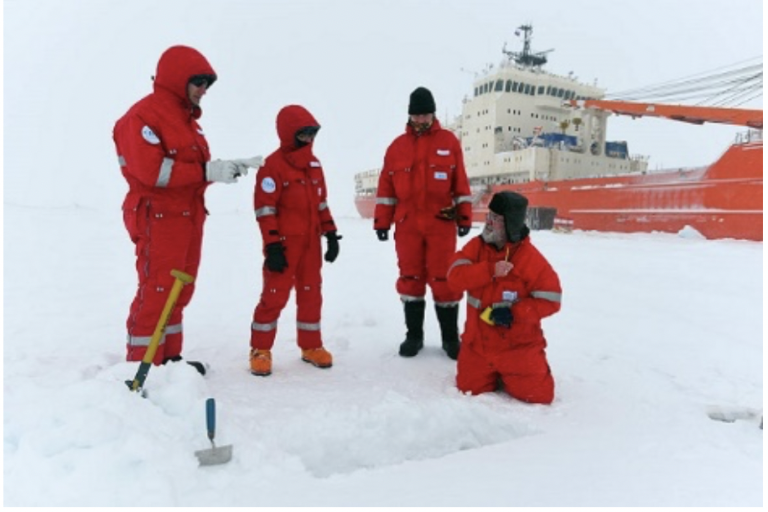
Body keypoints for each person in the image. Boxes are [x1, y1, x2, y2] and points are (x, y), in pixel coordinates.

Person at [113, 45, 262, 372]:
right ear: (177, 79)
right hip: (158, 217)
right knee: (158, 291)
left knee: (179, 291)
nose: (204, 90)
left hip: (187, 217)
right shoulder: (142, 117)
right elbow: (152, 172)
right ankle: (142, 368)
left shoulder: (187, 122)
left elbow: (190, 173)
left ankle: (169, 359)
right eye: (199, 82)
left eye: (208, 84)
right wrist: (208, 172)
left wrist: (224, 168)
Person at [373, 86, 473, 360]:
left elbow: (460, 183)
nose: (421, 120)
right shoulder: (396, 148)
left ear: (433, 114)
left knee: (445, 280)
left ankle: (450, 339)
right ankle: (414, 336)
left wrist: (465, 215)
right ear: (409, 116)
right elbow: (386, 189)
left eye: (426, 115)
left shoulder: (449, 142)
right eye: (416, 115)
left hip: (441, 224)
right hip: (407, 226)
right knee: (410, 278)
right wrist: (382, 222)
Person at [249, 105, 341, 376]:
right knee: (274, 296)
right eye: (303, 134)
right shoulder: (272, 167)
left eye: (313, 134)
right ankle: (260, 349)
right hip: (285, 245)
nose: (309, 140)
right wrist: (273, 245)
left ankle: (311, 346)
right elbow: (265, 211)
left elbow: (321, 203)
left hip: (311, 244)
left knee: (312, 294)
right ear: (289, 134)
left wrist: (331, 233)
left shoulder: (314, 165)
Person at [446, 191, 562, 404]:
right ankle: (496, 375)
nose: (488, 222)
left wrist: (514, 313)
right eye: (489, 216)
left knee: (539, 397)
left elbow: (552, 300)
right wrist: (489, 270)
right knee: (468, 390)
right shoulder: (476, 247)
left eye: (496, 219)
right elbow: (454, 278)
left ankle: (508, 374)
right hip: (477, 346)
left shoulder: (530, 259)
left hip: (517, 349)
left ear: (511, 223)